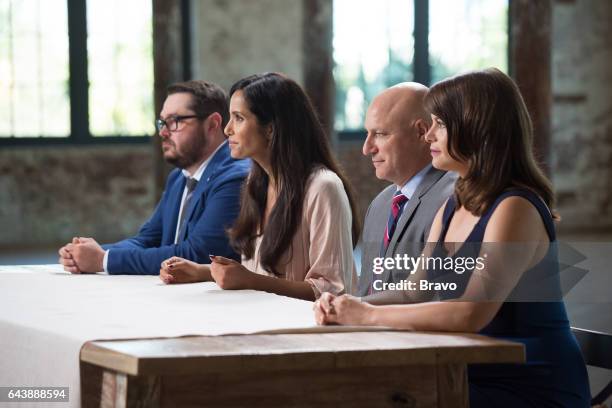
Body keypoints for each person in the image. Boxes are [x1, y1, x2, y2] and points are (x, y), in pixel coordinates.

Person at [314, 68, 591, 407]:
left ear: (475, 129)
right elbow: (415, 292)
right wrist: (347, 306)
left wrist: (367, 316)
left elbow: (471, 313)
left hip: (528, 387)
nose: (428, 135)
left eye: (439, 124)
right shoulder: (455, 204)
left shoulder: (514, 206)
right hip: (468, 373)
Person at [160, 72, 359, 301]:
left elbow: (333, 290)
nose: (227, 130)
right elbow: (261, 273)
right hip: (260, 321)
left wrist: (249, 280)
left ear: (271, 128)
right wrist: (203, 271)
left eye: (239, 118)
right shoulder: (257, 184)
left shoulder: (323, 187)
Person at [58, 81, 250, 275]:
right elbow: (148, 240)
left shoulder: (234, 177)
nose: (163, 132)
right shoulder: (178, 177)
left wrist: (103, 260)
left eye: (175, 121)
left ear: (212, 125)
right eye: (162, 122)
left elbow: (198, 254)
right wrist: (89, 252)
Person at [356, 83, 456, 297]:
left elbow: (441, 301)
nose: (367, 148)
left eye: (380, 134)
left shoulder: (454, 200)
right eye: (367, 134)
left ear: (421, 132)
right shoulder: (379, 205)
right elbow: (365, 292)